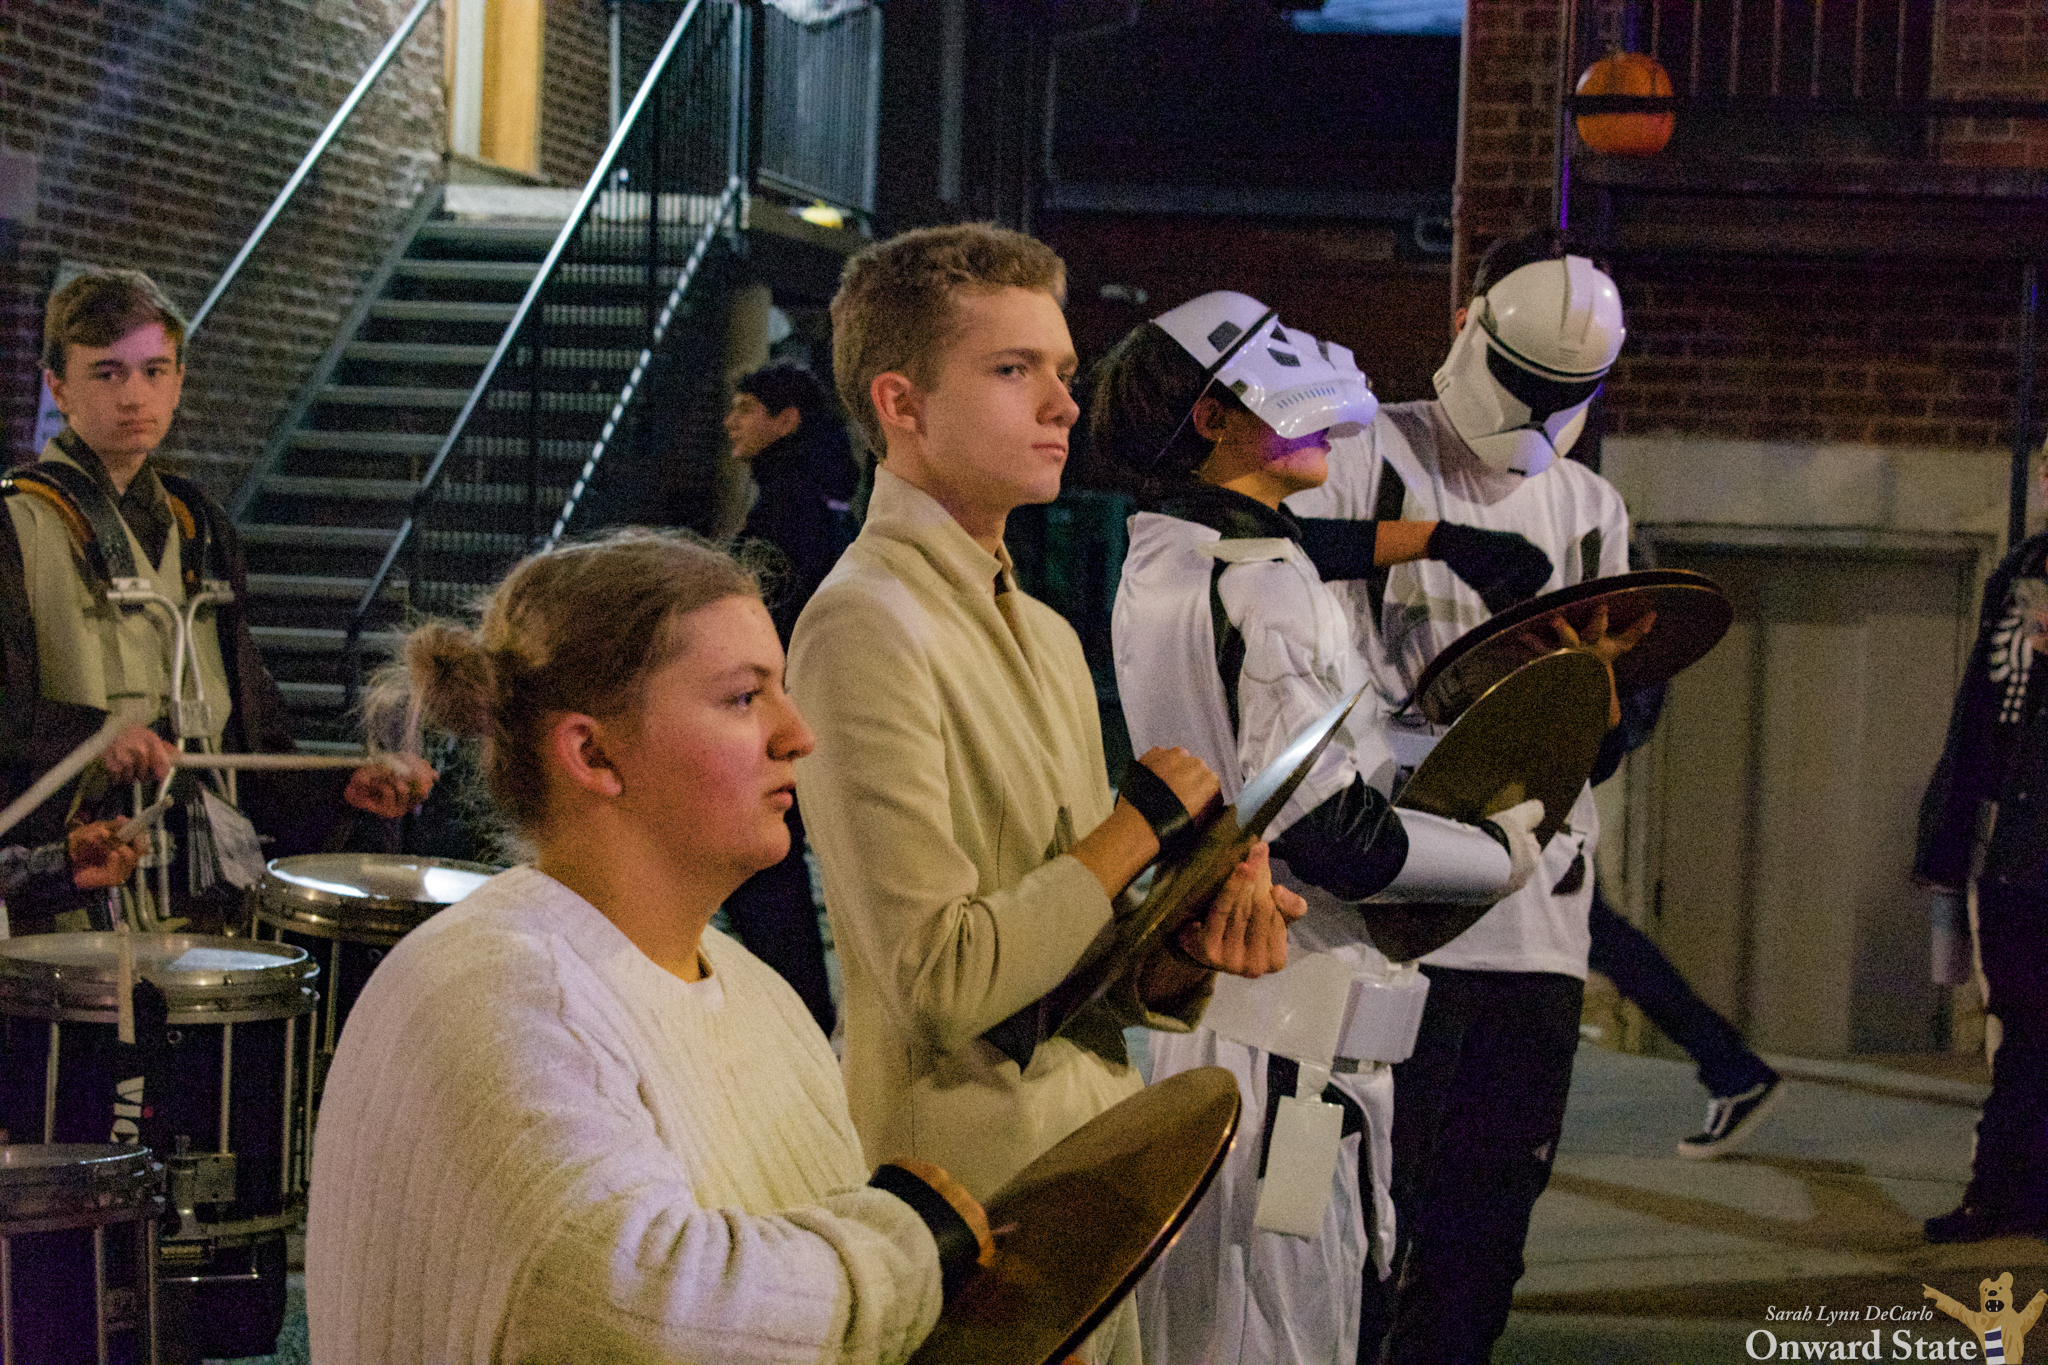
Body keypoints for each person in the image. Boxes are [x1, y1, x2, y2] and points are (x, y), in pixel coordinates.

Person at [786, 224, 1302, 1365]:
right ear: (901, 403)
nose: (1063, 403)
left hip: (1093, 1181)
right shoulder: (860, 623)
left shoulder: (1053, 632)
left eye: (1063, 371)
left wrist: (1180, 948)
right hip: (964, 1207)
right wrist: (1139, 829)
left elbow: (1066, 967)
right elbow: (938, 979)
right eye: (1013, 369)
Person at [307, 529, 994, 1364]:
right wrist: (916, 1243)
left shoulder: (758, 992)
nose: (797, 734)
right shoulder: (495, 989)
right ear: (593, 753)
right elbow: (643, 1307)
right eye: (743, 697)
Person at [1090, 291, 1545, 1365]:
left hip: (1226, 1018)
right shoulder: (1262, 589)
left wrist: (1439, 539)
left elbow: (1296, 548)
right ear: (1214, 417)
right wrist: (1495, 853)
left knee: (1232, 1311)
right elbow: (1335, 834)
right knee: (1290, 1321)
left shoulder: (1169, 549)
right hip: (1293, 1039)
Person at [1284, 228, 1648, 1365]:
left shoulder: (1590, 507)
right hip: (1377, 907)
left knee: (1484, 1232)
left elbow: (1611, 728)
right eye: (1524, 380)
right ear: (1467, 323)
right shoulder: (1364, 447)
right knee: (1348, 1220)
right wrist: (1434, 539)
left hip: (1533, 923)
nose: (1537, 412)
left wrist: (1586, 699)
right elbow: (1253, 549)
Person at [1, 268, 432, 934]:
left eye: (154, 371)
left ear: (178, 382)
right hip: (74, 891)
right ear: (58, 387)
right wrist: (94, 738)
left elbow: (248, 731)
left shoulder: (200, 525)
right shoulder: (14, 525)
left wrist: (342, 783)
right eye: (107, 373)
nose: (133, 394)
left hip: (202, 894)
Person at [1913, 457, 2048, 1244]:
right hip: (2016, 849)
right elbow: (1978, 712)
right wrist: (1949, 831)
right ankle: (2002, 1193)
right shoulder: (2019, 572)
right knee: (2021, 1025)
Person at [718, 361, 857, 1032]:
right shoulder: (816, 496)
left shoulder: (789, 503)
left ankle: (793, 1013)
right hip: (803, 703)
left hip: (775, 710)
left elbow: (769, 612)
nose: (732, 422)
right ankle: (798, 1011)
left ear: (786, 420)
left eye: (747, 408)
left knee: (761, 865)